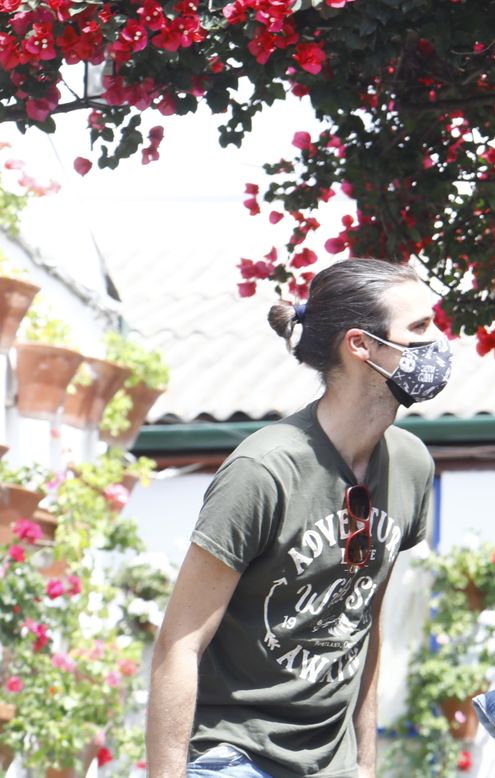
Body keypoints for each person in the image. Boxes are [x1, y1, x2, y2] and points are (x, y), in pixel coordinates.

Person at [147, 258, 443, 778]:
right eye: (418, 328)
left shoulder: (411, 465)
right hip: (236, 754)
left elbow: (364, 624)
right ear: (361, 346)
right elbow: (179, 644)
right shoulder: (263, 470)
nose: (438, 341)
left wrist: (365, 764)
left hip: (333, 763)